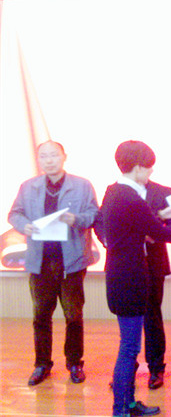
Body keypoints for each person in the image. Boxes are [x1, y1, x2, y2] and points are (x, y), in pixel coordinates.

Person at [95, 140, 171, 417]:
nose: (150, 173)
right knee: (129, 348)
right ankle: (121, 409)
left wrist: (158, 217)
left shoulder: (114, 192)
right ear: (137, 167)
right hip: (130, 280)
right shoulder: (131, 198)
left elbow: (138, 226)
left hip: (119, 276)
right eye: (148, 168)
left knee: (129, 346)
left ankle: (128, 404)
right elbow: (156, 231)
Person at [8, 140, 98, 386]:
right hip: (40, 261)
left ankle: (74, 363)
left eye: (53, 155)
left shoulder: (82, 185)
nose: (49, 160)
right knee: (41, 315)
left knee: (73, 315)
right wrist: (23, 225)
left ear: (64, 157)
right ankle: (42, 364)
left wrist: (76, 219)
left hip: (71, 261)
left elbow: (94, 214)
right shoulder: (28, 186)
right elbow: (14, 213)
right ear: (39, 160)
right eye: (44, 156)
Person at [143, 180, 171, 390]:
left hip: (154, 261)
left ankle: (156, 367)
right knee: (127, 319)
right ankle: (127, 367)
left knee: (152, 315)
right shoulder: (117, 191)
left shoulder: (163, 192)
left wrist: (156, 231)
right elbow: (104, 221)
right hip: (126, 264)